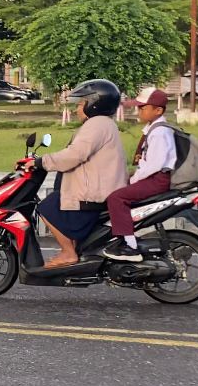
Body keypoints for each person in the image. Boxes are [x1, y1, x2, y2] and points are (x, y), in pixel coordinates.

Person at [35, 79, 128, 268]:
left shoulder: (96, 125)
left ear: (94, 104)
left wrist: (41, 161)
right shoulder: (105, 124)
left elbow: (75, 155)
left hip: (93, 194)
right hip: (101, 188)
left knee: (46, 206)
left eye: (80, 104)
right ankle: (76, 251)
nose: (77, 109)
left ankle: (68, 253)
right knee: (56, 201)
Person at [101, 88, 176, 262]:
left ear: (158, 110)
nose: (139, 111)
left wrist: (133, 180)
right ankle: (118, 232)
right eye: (139, 107)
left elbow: (154, 165)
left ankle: (130, 245)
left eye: (143, 108)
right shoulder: (153, 128)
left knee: (116, 198)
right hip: (152, 176)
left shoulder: (160, 132)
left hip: (157, 179)